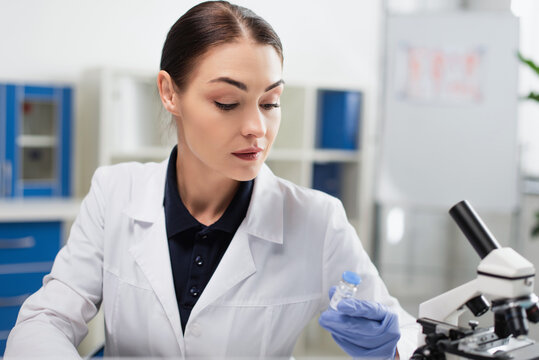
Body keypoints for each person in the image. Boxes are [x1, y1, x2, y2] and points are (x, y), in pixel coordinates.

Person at [5, 1, 419, 358]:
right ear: (170, 93)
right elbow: (47, 320)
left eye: (270, 102)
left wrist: (393, 348)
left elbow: (406, 333)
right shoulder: (115, 192)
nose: (257, 127)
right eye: (227, 103)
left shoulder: (317, 219)